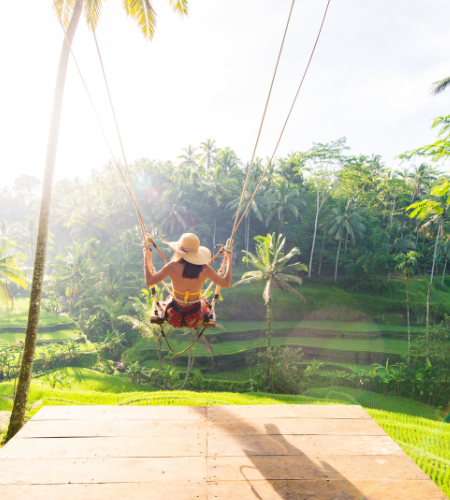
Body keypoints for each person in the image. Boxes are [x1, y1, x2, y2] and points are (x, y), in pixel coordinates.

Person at [143, 232, 232, 329]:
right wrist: (229, 260)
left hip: (173, 317)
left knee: (169, 299)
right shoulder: (205, 269)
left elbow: (149, 281)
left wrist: (146, 257)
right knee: (202, 301)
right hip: (195, 318)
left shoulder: (172, 267)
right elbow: (226, 283)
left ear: (179, 251)